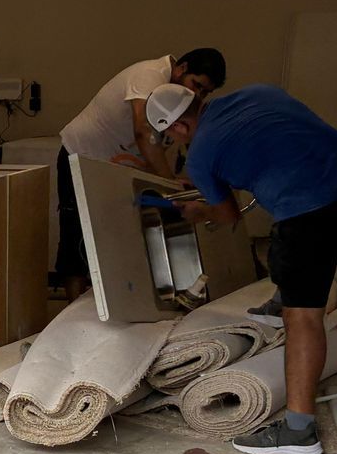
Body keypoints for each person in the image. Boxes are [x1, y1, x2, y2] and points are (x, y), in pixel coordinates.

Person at [146, 81, 337, 454]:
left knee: (303, 317)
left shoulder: (201, 156)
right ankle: (287, 292)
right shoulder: (257, 93)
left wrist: (200, 209)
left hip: (311, 208)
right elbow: (276, 142)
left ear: (178, 128)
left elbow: (228, 216)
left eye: (171, 136)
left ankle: (299, 432)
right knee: (292, 247)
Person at [54, 48, 226, 295]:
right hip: (82, 155)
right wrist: (168, 184)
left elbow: (165, 141)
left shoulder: (180, 95)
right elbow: (144, 132)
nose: (197, 94)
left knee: (121, 231)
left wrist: (172, 181)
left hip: (118, 164)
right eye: (196, 85)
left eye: (205, 92)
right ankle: (73, 307)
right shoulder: (149, 75)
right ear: (182, 68)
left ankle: (122, 298)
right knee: (77, 233)